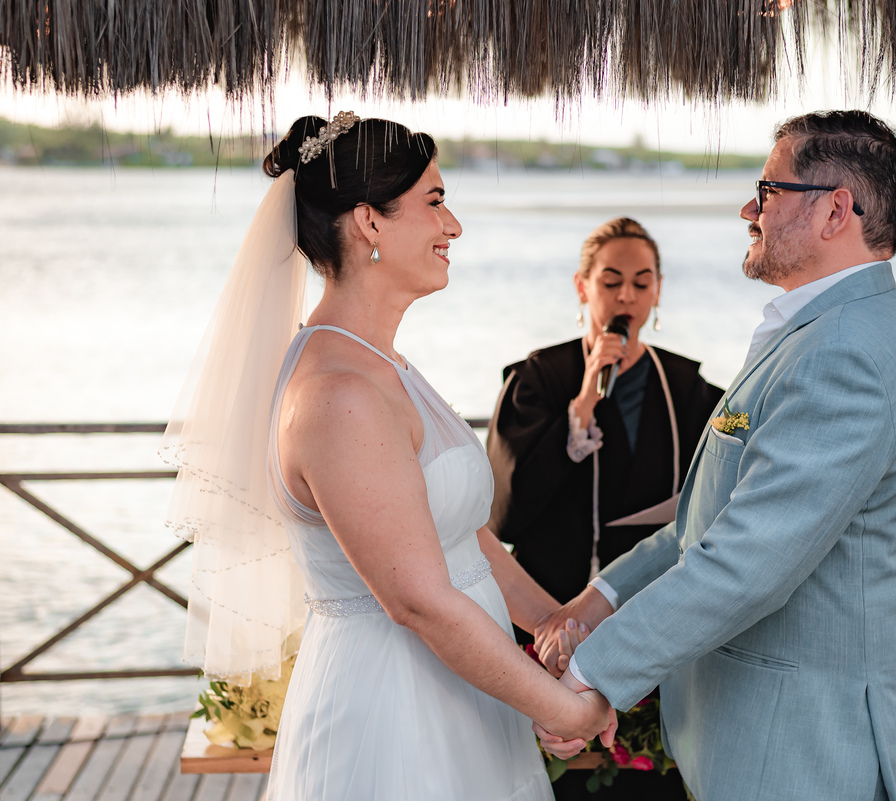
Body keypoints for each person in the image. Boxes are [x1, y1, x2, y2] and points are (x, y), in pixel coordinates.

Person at [162, 113, 613, 801]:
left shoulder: (384, 366)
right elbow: (420, 601)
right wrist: (565, 708)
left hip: (465, 697)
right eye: (435, 201)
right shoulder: (338, 395)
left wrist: (557, 626)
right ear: (369, 221)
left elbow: (464, 537)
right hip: (394, 717)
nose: (452, 226)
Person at [535, 110, 896, 801]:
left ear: (835, 211)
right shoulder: (822, 330)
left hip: (804, 754)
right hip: (760, 743)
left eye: (768, 189)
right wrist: (601, 598)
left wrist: (592, 674)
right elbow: (710, 524)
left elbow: (748, 564)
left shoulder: (847, 353)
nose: (748, 208)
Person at [487, 218, 724, 800]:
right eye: (612, 281)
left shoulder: (686, 388)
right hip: (551, 624)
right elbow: (504, 516)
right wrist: (581, 411)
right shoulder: (540, 378)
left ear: (658, 292)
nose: (626, 297)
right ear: (582, 285)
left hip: (647, 622)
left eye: (642, 284)